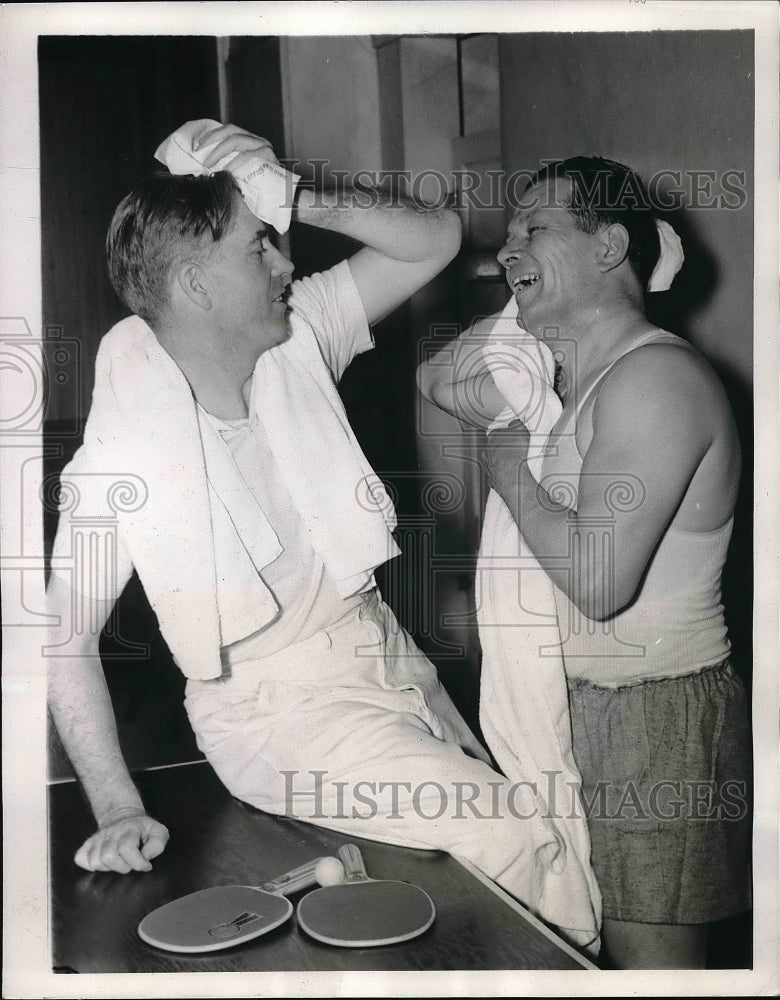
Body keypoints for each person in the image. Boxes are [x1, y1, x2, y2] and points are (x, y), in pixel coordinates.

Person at [46, 124, 601, 951]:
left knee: (521, 851)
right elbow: (62, 637)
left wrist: (295, 194)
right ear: (197, 286)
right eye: (259, 248)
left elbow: (435, 241)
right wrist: (119, 803)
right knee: (515, 834)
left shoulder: (297, 336)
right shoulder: (121, 453)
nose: (286, 263)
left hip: (388, 663)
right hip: (280, 717)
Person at [417, 156, 752, 969]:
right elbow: (434, 377)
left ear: (609, 246)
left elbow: (598, 582)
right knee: (576, 960)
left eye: (535, 227)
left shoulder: (656, 380)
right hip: (575, 709)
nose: (507, 250)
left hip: (653, 722)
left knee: (650, 979)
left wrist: (507, 470)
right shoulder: (576, 382)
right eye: (507, 238)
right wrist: (527, 279)